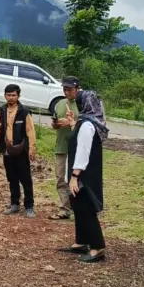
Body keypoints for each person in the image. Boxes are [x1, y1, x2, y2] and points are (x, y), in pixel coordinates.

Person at [58, 90, 108, 263]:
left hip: (84, 174)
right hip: (84, 172)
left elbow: (83, 151)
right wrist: (73, 123)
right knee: (77, 206)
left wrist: (74, 175)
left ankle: (97, 247)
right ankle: (81, 242)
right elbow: (78, 139)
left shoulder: (88, 125)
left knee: (86, 208)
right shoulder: (86, 122)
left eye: (79, 102)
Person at [0, 84, 37, 217]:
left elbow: (30, 131)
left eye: (13, 95)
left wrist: (31, 149)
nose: (11, 98)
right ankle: (15, 204)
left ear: (18, 95)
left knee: (25, 179)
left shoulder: (24, 112)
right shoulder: (1, 111)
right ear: (4, 95)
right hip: (7, 150)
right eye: (8, 95)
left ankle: (29, 206)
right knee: (12, 178)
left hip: (21, 150)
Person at [51, 77, 80, 220]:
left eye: (70, 90)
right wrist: (57, 124)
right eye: (65, 89)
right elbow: (54, 124)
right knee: (60, 178)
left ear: (77, 89)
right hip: (61, 146)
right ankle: (65, 209)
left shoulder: (82, 104)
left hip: (77, 148)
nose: (67, 92)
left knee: (77, 179)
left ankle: (81, 208)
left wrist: (72, 122)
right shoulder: (60, 104)